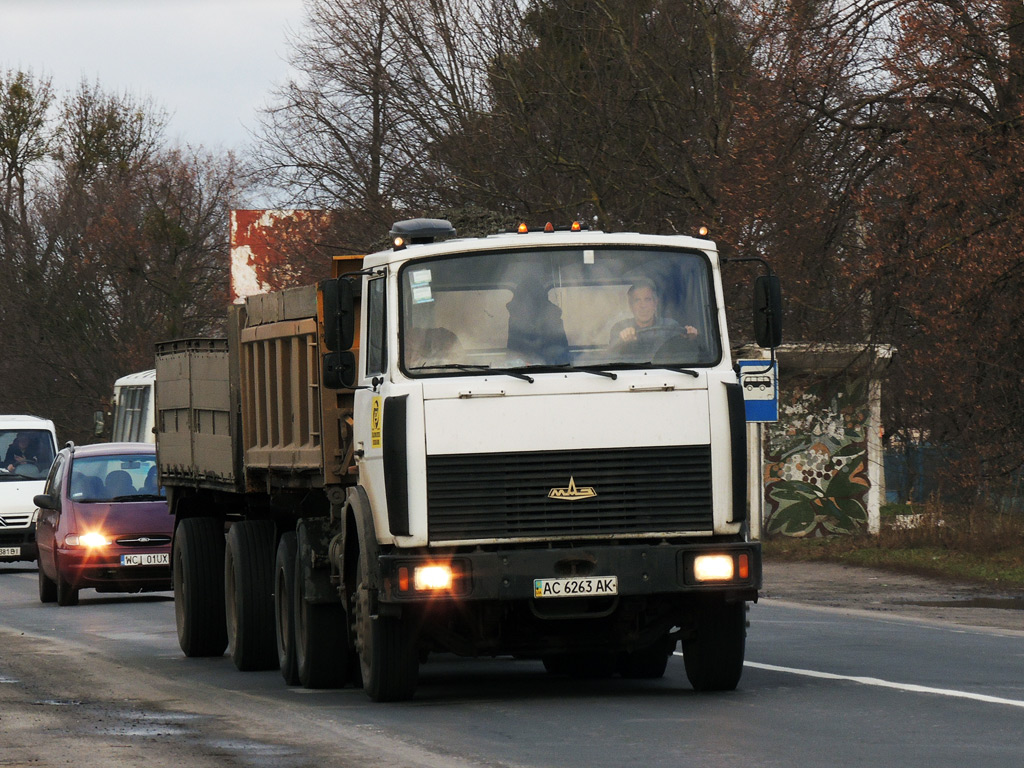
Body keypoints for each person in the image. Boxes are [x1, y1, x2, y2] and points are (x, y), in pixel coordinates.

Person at [609, 278, 697, 359]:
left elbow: (684, 354)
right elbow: (611, 358)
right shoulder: (620, 328)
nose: (643, 306)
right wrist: (623, 342)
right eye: (637, 300)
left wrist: (691, 339)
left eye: (647, 299)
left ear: (655, 303)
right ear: (631, 306)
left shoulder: (671, 327)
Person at [506, 277, 570, 365]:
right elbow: (512, 354)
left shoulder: (554, 321)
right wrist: (519, 362)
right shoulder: (515, 323)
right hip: (520, 374)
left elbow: (563, 359)